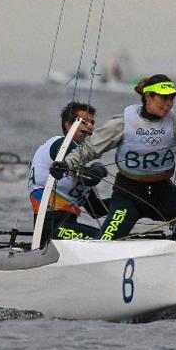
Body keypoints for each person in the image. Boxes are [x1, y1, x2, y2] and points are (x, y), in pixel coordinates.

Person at [51, 74, 176, 240]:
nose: (169, 104)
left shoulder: (175, 122)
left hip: (165, 195)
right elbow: (89, 150)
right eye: (164, 98)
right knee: (107, 241)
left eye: (172, 99)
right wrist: (65, 164)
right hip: (129, 196)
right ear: (148, 97)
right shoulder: (124, 122)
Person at [28, 101, 109, 245]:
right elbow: (92, 175)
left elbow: (96, 210)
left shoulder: (78, 163)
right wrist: (98, 167)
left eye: (92, 122)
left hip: (65, 227)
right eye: (84, 122)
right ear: (68, 125)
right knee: (105, 238)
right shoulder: (61, 144)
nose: (90, 126)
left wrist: (127, 201)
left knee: (111, 234)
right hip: (50, 228)